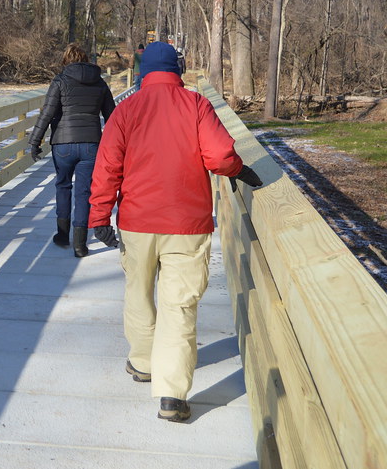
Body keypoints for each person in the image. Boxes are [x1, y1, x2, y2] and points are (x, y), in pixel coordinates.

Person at [87, 41, 261, 422]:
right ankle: (171, 395)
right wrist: (238, 170)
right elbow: (218, 156)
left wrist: (99, 216)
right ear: (177, 70)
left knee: (138, 291)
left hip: (136, 221)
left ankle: (142, 362)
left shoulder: (126, 110)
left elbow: (107, 168)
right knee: (179, 305)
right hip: (186, 222)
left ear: (143, 72)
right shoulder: (196, 105)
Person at [29, 43, 116, 257]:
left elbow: (47, 113)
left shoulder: (60, 81)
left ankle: (62, 235)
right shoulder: (100, 83)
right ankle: (80, 244)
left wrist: (35, 141)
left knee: (63, 186)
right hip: (91, 145)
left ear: (66, 60)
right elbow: (112, 117)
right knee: (84, 192)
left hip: (63, 143)